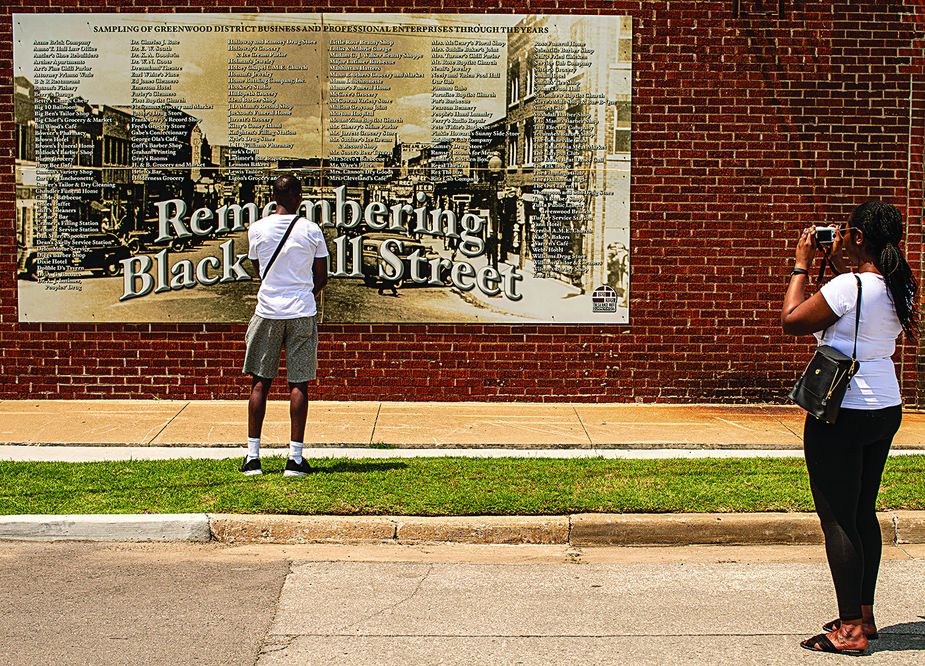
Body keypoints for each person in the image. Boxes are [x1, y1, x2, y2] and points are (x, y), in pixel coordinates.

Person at [781, 200, 918, 655]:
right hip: (886, 405)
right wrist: (841, 264)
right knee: (862, 511)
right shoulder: (900, 284)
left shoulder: (848, 286)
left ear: (859, 237)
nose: (835, 236)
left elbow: (792, 321)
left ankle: (851, 632)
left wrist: (801, 266)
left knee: (838, 518)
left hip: (843, 408)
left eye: (843, 230)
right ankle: (865, 614)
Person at [241, 175, 329, 477]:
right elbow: (322, 276)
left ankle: (253, 457)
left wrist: (277, 289)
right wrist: (302, 293)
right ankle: (295, 459)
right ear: (298, 197)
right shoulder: (311, 229)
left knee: (260, 382)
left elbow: (260, 271)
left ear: (273, 196)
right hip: (301, 311)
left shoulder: (257, 229)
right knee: (298, 383)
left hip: (267, 311)